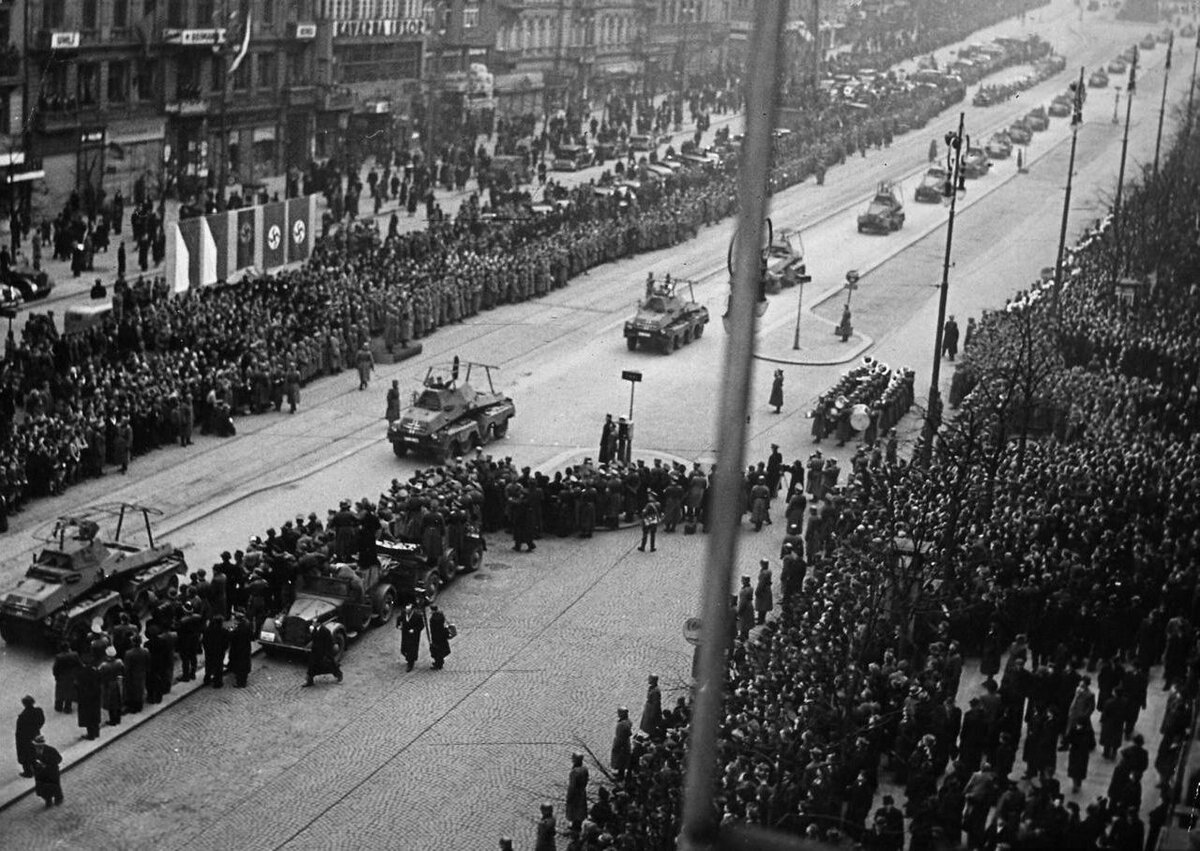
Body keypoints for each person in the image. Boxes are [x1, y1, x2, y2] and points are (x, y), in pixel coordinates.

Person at [30, 736, 63, 808]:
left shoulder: (50, 750)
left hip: (51, 772)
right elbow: (32, 761)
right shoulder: (33, 751)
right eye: (36, 746)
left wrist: (48, 764)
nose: (37, 748)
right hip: (40, 774)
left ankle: (58, 798)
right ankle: (48, 800)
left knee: (55, 786)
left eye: (39, 746)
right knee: (43, 788)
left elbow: (59, 759)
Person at [16, 695, 44, 778]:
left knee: (25, 754)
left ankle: (28, 772)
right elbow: (41, 721)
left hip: (24, 738)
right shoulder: (38, 711)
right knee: (33, 752)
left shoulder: (23, 716)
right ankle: (36, 767)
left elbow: (19, 730)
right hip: (35, 734)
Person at [75, 661, 102, 740]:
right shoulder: (95, 671)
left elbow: (77, 685)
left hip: (85, 698)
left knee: (88, 716)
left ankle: (91, 734)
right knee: (95, 714)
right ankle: (96, 732)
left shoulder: (81, 673)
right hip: (95, 696)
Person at [52, 643, 81, 714]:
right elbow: (79, 664)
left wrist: (56, 676)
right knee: (69, 691)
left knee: (60, 692)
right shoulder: (75, 655)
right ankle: (67, 708)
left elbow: (55, 668)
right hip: (71, 676)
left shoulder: (59, 657)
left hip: (61, 677)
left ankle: (58, 706)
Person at [227, 611, 254, 687]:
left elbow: (232, 636)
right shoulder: (248, 624)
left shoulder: (239, 627)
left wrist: (230, 631)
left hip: (238, 648)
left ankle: (240, 683)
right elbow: (252, 636)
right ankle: (243, 680)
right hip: (246, 647)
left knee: (240, 665)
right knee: (244, 664)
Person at [202, 615, 229, 688]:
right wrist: (223, 649)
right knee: (218, 667)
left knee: (208, 665)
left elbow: (204, 641)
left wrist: (206, 649)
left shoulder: (208, 630)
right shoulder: (224, 631)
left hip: (209, 651)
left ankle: (207, 679)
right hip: (219, 652)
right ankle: (217, 682)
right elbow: (226, 643)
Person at [397, 603, 425, 672]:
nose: (406, 611)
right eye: (406, 609)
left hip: (413, 637)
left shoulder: (417, 616)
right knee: (404, 649)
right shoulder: (404, 613)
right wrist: (398, 625)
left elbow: (421, 626)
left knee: (411, 651)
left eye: (408, 609)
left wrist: (414, 630)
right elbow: (399, 618)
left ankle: (410, 664)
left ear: (411, 610)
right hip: (405, 634)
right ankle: (408, 658)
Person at [565, 751, 589, 830]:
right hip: (582, 791)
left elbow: (572, 785)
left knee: (574, 809)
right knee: (581, 808)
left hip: (575, 793)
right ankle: (578, 823)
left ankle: (575, 826)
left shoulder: (574, 772)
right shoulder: (585, 769)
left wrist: (569, 796)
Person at [611, 706, 633, 781]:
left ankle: (620, 777)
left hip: (621, 744)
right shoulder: (628, 721)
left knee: (620, 760)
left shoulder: (622, 724)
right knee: (622, 760)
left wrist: (616, 746)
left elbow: (621, 737)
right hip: (625, 743)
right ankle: (620, 773)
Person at [428, 604, 452, 670]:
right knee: (440, 649)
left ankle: (438, 664)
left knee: (437, 650)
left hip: (437, 637)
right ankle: (439, 662)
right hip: (442, 636)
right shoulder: (441, 615)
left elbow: (434, 627)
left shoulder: (434, 618)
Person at [640, 674, 662, 739]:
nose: (648, 679)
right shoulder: (651, 688)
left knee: (650, 725)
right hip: (648, 708)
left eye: (649, 678)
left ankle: (651, 737)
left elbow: (656, 704)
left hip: (651, 711)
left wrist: (652, 714)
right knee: (646, 725)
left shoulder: (656, 691)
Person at [754, 560, 774, 625]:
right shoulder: (768, 571)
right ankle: (762, 618)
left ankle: (760, 620)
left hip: (763, 590)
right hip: (767, 589)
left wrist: (758, 591)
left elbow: (761, 583)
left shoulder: (764, 573)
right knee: (764, 605)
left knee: (761, 605)